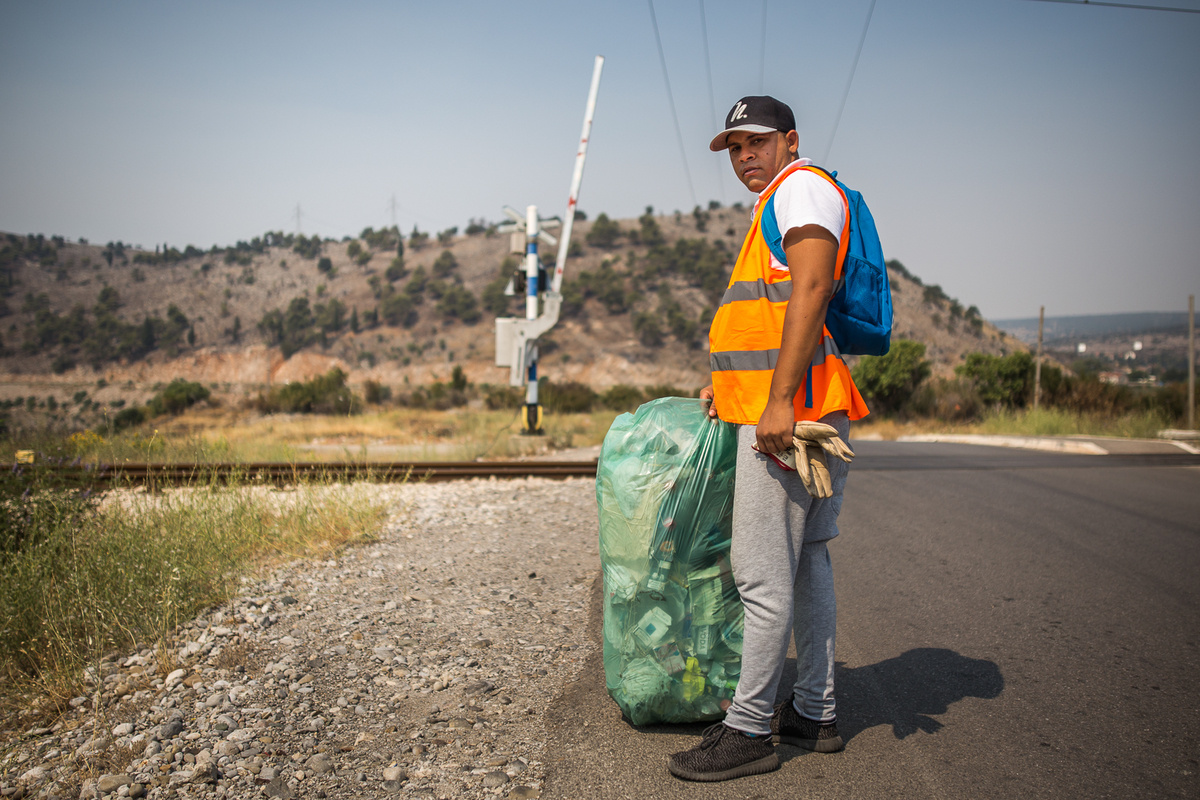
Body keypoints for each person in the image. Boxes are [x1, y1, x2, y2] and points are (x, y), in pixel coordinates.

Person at [667, 95, 870, 782]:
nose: (744, 157)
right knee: (807, 560)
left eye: (755, 142)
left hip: (789, 418)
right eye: (734, 148)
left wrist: (778, 401)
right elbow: (770, 313)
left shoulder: (802, 189)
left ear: (789, 140)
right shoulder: (787, 197)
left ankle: (749, 727)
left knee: (760, 572)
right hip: (802, 409)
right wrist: (725, 382)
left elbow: (811, 289)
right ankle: (815, 711)